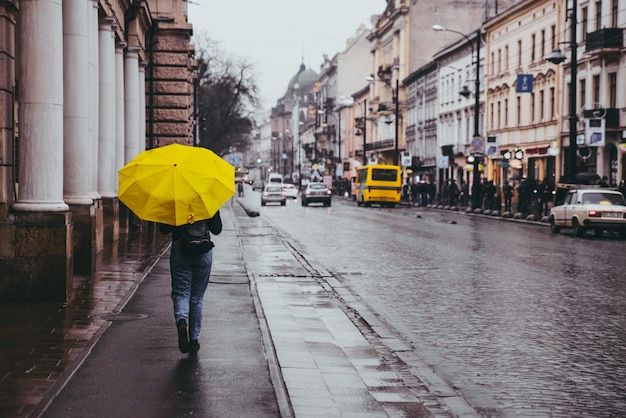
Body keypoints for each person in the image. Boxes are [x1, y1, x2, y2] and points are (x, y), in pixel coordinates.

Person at [159, 211, 223, 354]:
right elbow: (217, 229)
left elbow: (163, 230)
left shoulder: (174, 200)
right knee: (197, 298)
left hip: (181, 250)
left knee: (181, 292)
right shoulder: (205, 199)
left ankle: (182, 320)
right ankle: (194, 340)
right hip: (203, 251)